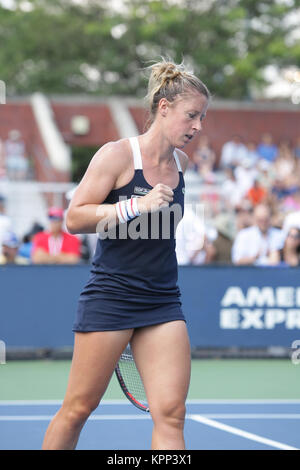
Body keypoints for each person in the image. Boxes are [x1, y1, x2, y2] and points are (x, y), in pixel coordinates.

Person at [42, 59, 210, 450]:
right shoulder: (116, 155)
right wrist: (135, 206)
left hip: (163, 300)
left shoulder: (182, 165)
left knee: (171, 414)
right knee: (79, 407)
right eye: (191, 115)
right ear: (164, 108)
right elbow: (74, 217)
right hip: (111, 296)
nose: (198, 126)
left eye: (202, 117)